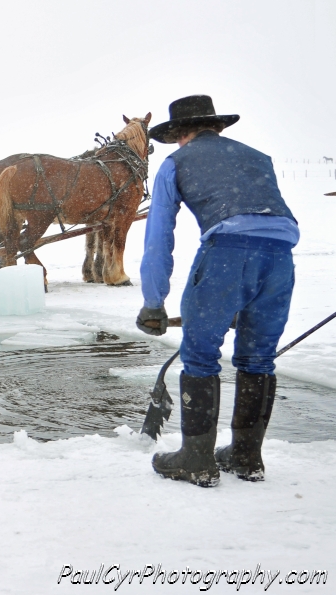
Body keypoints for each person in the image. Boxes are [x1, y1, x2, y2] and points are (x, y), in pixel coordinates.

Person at [137, 95, 297, 487]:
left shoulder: (176, 162)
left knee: (201, 355)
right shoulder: (258, 158)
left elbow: (159, 237)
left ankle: (196, 458)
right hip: (280, 257)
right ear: (218, 127)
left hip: (228, 254)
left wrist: (153, 302)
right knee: (259, 358)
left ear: (180, 134)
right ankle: (245, 456)